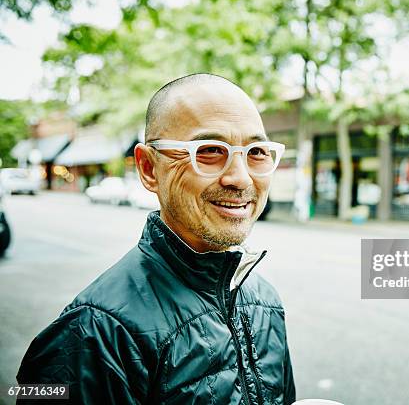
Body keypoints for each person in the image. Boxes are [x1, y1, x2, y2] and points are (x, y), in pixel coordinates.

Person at [17, 73, 296, 404]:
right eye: (209, 150)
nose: (240, 177)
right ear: (149, 168)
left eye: (257, 152)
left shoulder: (264, 300)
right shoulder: (93, 332)